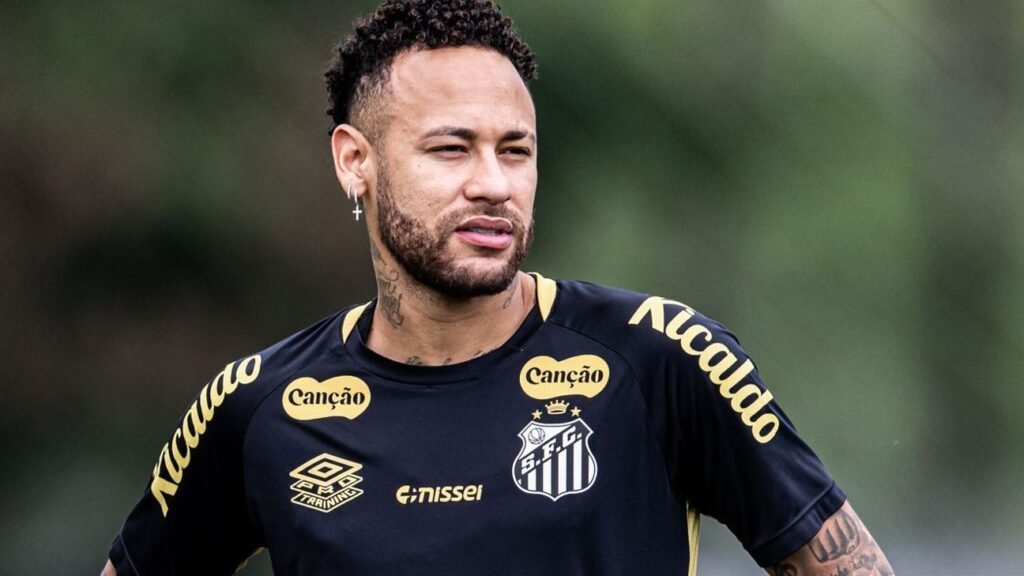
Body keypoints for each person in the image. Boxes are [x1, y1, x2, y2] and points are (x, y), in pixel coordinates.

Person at [103, 1, 894, 575]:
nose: (493, 184)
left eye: (515, 151)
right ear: (354, 161)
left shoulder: (663, 359)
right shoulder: (259, 407)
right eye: (451, 149)